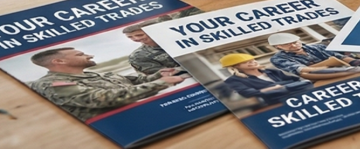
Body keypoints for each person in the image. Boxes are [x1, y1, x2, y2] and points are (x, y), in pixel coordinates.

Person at [27, 47, 185, 121]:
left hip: (139, 115)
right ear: (59, 61)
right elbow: (105, 98)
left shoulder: (96, 74)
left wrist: (159, 75)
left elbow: (134, 82)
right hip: (119, 125)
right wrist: (161, 83)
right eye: (81, 54)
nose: (90, 55)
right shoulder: (53, 84)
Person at [266, 32, 360, 78]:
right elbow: (298, 69)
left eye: (295, 42)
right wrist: (323, 67)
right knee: (310, 71)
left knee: (359, 61)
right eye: (287, 45)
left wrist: (356, 61)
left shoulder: (317, 47)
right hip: (311, 73)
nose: (294, 46)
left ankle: (356, 66)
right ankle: (350, 69)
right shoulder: (277, 58)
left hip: (337, 66)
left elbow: (338, 56)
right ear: (278, 47)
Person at [218, 54, 314, 106]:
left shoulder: (271, 71)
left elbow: (296, 80)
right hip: (277, 102)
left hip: (303, 93)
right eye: (246, 63)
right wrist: (275, 88)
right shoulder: (233, 80)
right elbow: (249, 93)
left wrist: (274, 87)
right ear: (235, 67)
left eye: (252, 60)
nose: (252, 63)